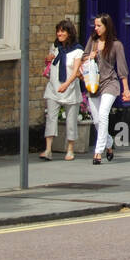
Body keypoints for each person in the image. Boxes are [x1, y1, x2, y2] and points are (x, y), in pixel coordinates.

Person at [81, 13, 130, 165]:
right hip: (93, 83)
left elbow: (122, 68)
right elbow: (83, 57)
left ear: (106, 27)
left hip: (110, 82)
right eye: (95, 25)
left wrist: (126, 89)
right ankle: (109, 145)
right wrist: (91, 56)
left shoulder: (116, 45)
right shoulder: (92, 41)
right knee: (96, 120)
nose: (96, 28)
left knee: (103, 114)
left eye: (99, 26)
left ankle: (98, 152)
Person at [40, 19, 85, 161]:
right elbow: (51, 63)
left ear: (69, 33)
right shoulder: (55, 46)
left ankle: (70, 149)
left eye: (62, 31)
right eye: (58, 30)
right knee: (51, 118)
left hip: (70, 89)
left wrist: (66, 84)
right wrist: (48, 58)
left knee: (71, 121)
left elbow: (76, 71)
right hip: (53, 88)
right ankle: (48, 149)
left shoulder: (78, 50)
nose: (59, 33)